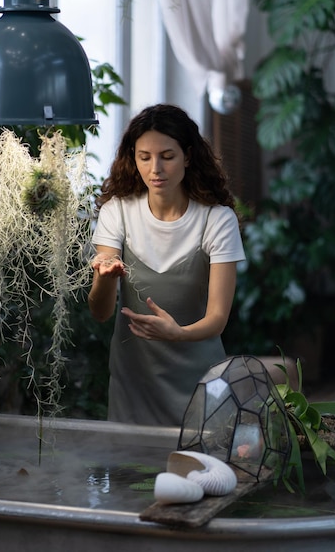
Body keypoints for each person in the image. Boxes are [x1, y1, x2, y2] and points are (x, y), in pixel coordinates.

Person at [88, 103, 245, 427]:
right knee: (131, 476)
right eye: (144, 156)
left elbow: (217, 319)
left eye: (167, 156)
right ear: (133, 157)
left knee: (202, 475)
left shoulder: (216, 219)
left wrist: (178, 333)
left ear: (187, 156)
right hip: (134, 385)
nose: (155, 168)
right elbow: (101, 312)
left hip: (200, 383)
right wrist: (104, 279)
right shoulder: (118, 212)